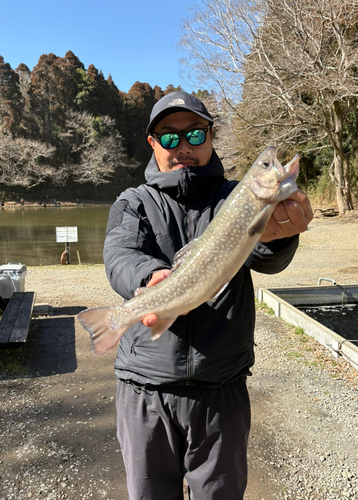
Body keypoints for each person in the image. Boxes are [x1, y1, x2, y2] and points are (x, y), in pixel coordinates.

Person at [103, 91, 313, 500]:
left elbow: (265, 255)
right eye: (169, 137)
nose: (183, 147)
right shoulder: (134, 202)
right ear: (152, 143)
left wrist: (281, 236)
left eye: (195, 135)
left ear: (211, 136)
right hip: (145, 387)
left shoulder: (234, 199)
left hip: (222, 387)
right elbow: (119, 254)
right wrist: (149, 276)